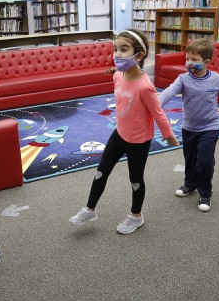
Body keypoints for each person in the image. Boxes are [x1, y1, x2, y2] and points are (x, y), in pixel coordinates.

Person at [69, 29, 179, 233]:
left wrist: (169, 135)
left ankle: (136, 216)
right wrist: (114, 71)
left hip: (138, 141)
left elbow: (158, 113)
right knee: (101, 171)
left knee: (135, 180)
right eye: (116, 49)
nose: (117, 54)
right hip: (119, 134)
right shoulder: (118, 76)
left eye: (124, 49)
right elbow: (122, 77)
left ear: (139, 55)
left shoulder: (145, 86)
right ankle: (90, 209)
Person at [159, 39, 219, 212]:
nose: (189, 63)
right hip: (189, 127)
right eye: (187, 59)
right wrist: (155, 107)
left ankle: (205, 192)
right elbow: (167, 93)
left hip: (210, 128)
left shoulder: (216, 79)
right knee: (190, 159)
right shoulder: (183, 79)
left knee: (204, 161)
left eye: (194, 60)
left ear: (206, 62)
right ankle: (190, 184)